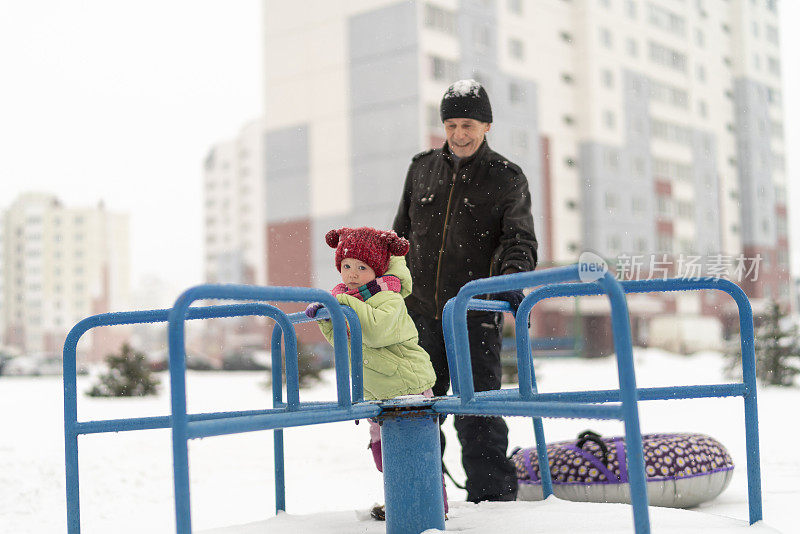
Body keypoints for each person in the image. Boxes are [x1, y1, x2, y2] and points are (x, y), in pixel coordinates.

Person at [392, 79, 538, 503]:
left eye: (468, 124)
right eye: (451, 124)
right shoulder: (421, 169)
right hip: (418, 315)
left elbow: (519, 240)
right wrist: (379, 288)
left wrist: (511, 277)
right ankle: (419, 498)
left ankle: (492, 504)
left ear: (487, 125)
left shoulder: (506, 177)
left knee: (479, 414)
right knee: (415, 413)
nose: (459, 133)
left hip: (473, 312)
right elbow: (400, 237)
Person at [304, 226, 445, 518]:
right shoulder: (353, 299)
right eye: (345, 266)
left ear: (377, 269)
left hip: (408, 387)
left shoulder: (388, 298)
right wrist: (327, 318)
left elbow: (376, 332)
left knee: (417, 452)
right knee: (385, 457)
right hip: (377, 391)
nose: (352, 273)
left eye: (361, 267)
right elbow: (344, 339)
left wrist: (340, 303)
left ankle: (433, 506)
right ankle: (400, 500)